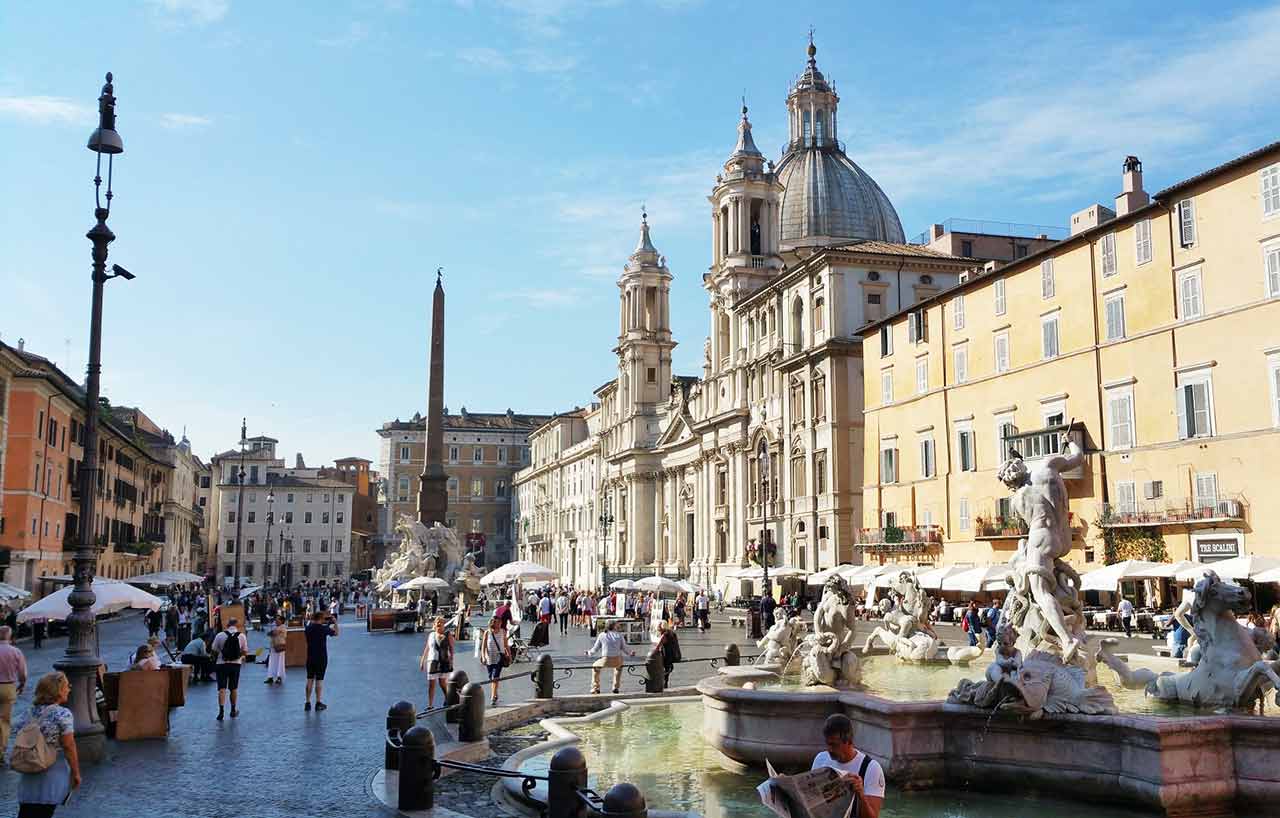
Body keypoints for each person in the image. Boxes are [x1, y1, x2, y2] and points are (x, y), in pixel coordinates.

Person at [13, 672, 81, 817]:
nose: (69, 689)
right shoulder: (63, 714)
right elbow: (69, 746)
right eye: (66, 686)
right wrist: (75, 773)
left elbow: (17, 733)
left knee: (27, 810)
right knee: (44, 811)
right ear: (58, 691)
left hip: (30, 767)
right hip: (52, 769)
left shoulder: (28, 713)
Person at [810, 713, 885, 818]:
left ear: (849, 742)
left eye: (834, 745)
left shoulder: (871, 768)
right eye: (827, 744)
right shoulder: (820, 759)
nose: (829, 749)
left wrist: (860, 794)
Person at [210, 618, 249, 721]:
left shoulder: (220, 635)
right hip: (235, 665)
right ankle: (233, 710)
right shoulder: (241, 636)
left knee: (222, 689)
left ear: (227, 625)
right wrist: (238, 656)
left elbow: (213, 650)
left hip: (221, 664)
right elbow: (245, 652)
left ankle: (221, 711)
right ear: (236, 625)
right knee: (233, 688)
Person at [586, 620, 635, 695]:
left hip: (606, 659)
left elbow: (596, 648)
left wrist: (589, 653)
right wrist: (630, 653)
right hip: (617, 659)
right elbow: (624, 648)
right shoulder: (619, 635)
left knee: (595, 667)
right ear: (614, 626)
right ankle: (615, 687)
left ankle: (595, 688)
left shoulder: (602, 635)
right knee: (618, 669)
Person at [0, 626, 28, 755]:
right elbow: (22, 673)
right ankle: (1, 751)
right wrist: (22, 684)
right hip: (8, 687)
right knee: (5, 721)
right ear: (9, 636)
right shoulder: (15, 651)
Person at [303, 610, 338, 711]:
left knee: (309, 679)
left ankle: (307, 702)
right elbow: (336, 633)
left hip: (310, 656)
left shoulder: (308, 629)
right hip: (321, 657)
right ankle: (318, 702)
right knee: (319, 680)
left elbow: (309, 625)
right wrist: (335, 622)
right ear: (321, 619)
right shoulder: (324, 629)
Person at [419, 616, 454, 708]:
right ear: (434, 625)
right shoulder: (431, 635)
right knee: (431, 684)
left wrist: (451, 660)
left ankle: (448, 698)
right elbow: (427, 648)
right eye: (437, 622)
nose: (438, 624)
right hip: (432, 661)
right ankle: (430, 705)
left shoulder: (447, 635)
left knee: (442, 683)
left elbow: (451, 648)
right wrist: (422, 660)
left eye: (441, 623)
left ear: (443, 625)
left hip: (443, 661)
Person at [479, 616, 510, 706]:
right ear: (493, 623)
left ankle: (493, 695)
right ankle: (495, 693)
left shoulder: (502, 632)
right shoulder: (487, 633)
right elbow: (483, 646)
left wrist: (509, 654)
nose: (500, 624)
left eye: (500, 622)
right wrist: (483, 656)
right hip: (489, 657)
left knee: (495, 676)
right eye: (498, 622)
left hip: (499, 657)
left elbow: (505, 644)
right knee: (491, 678)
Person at [655, 621, 681, 687]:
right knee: (667, 670)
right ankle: (665, 683)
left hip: (665, 655)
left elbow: (657, 647)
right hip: (672, 655)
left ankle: (663, 683)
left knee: (661, 669)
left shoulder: (664, 635)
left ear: (662, 627)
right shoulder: (672, 633)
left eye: (659, 626)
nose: (658, 628)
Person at [266, 616, 288, 685]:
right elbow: (269, 633)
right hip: (274, 646)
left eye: (277, 620)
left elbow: (273, 633)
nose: (276, 621)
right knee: (272, 662)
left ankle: (279, 677)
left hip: (280, 646)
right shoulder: (277, 627)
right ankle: (270, 677)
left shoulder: (282, 627)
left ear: (281, 621)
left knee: (280, 662)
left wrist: (271, 632)